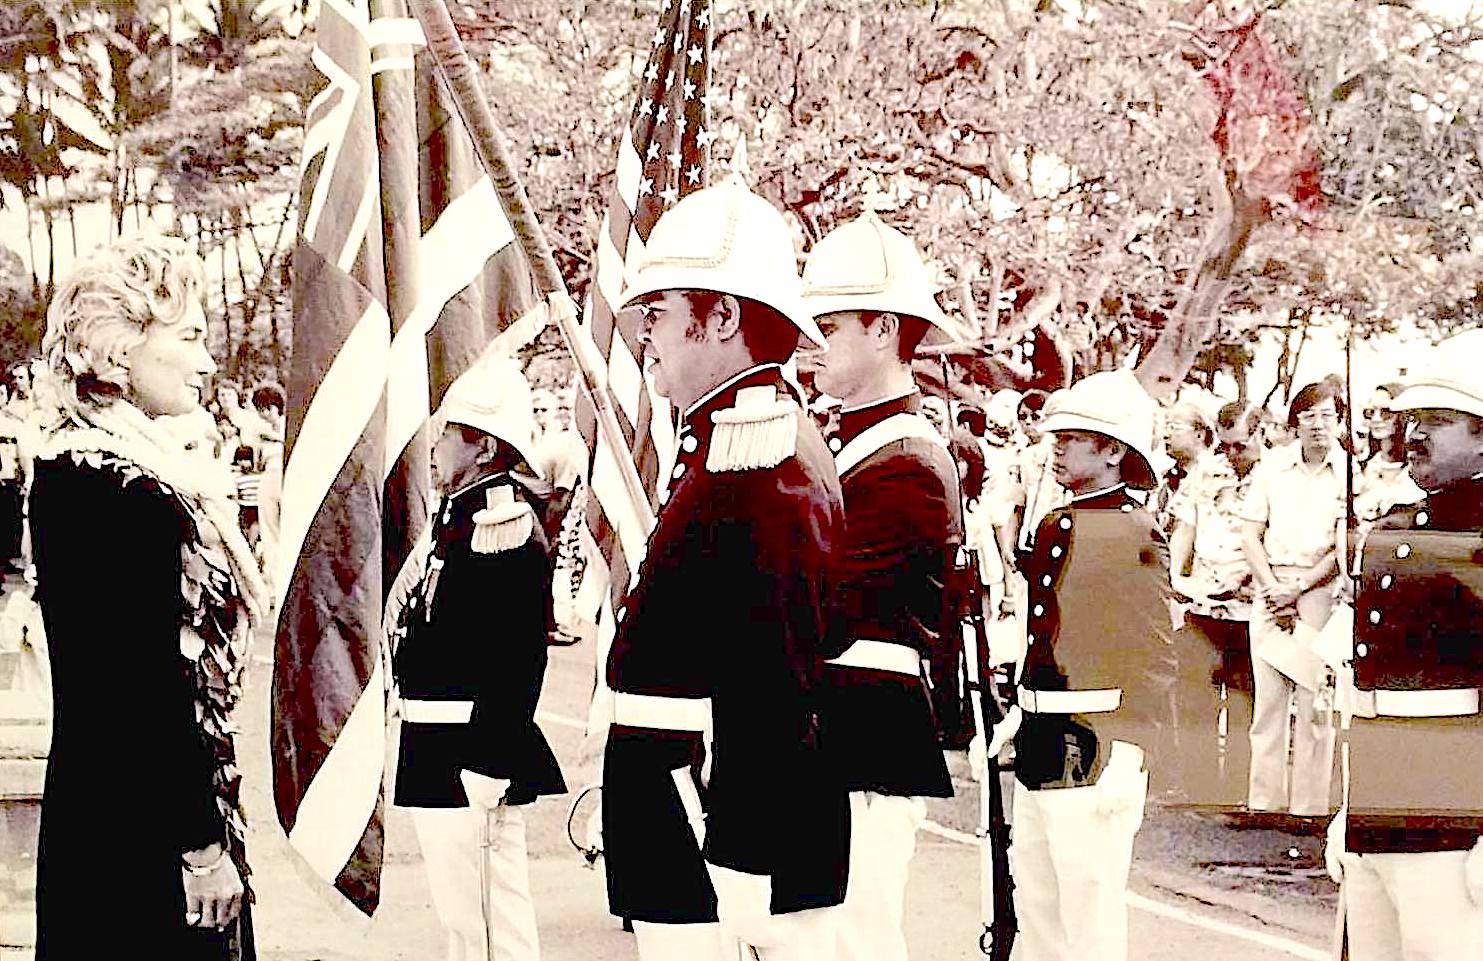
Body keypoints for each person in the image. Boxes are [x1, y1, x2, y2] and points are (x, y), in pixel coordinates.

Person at [599, 178, 851, 960]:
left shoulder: (761, 454)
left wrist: (743, 854)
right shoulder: (724, 444)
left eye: (659, 312)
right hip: (680, 813)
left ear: (723, 319)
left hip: (715, 827)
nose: (646, 334)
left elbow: (778, 673)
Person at [27, 235, 269, 959]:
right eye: (189, 337)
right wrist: (200, 843)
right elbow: (133, 686)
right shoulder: (110, 485)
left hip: (116, 812)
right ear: (118, 349)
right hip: (137, 836)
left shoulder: (111, 473)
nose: (207, 362)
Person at [800, 211, 962, 961]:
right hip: (831, 717)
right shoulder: (851, 442)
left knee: (856, 937)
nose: (811, 344)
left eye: (829, 326)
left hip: (865, 720)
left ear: (884, 330)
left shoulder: (908, 462)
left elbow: (827, 598)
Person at [388, 354, 566, 961]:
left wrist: (490, 763)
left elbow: (516, 658)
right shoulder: (459, 515)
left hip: (467, 749)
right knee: (465, 922)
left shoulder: (501, 522)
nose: (434, 446)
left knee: (492, 927)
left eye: (448, 434)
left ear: (485, 447)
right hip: (436, 740)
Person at [1001, 369, 1170, 961]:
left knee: (1088, 919)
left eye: (1072, 438)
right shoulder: (1057, 521)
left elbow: (1154, 653)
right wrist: (1020, 710)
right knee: (1038, 907)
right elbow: (1044, 635)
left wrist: (1132, 749)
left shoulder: (1134, 531)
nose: (1057, 447)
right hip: (1043, 734)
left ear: (1113, 452)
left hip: (1095, 742)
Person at [1328, 328, 1483, 960]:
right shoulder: (1391, 529)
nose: (1415, 434)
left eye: (1438, 421)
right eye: (1412, 420)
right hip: (1377, 803)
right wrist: (1350, 808)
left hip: (1453, 816)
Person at [1238, 380, 1345, 819]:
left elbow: (1344, 547)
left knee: (1314, 703)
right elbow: (1250, 533)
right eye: (1308, 416)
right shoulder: (1273, 467)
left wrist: (1299, 589)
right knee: (1268, 701)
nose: (1318, 425)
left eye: (1327, 416)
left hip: (1318, 590)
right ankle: (1263, 803)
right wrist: (1272, 589)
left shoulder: (1348, 473)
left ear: (1339, 421)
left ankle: (1308, 808)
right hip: (1271, 585)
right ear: (1295, 422)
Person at [1167, 400, 1262, 806]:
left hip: (1250, 607)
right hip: (1203, 603)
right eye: (1226, 446)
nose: (1232, 455)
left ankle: (1238, 792)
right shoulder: (1205, 472)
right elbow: (1184, 529)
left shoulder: (1273, 476)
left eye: (1241, 445)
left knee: (1244, 705)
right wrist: (1176, 577)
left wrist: (1247, 579)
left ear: (1260, 435)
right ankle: (1200, 789)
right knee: (1196, 701)